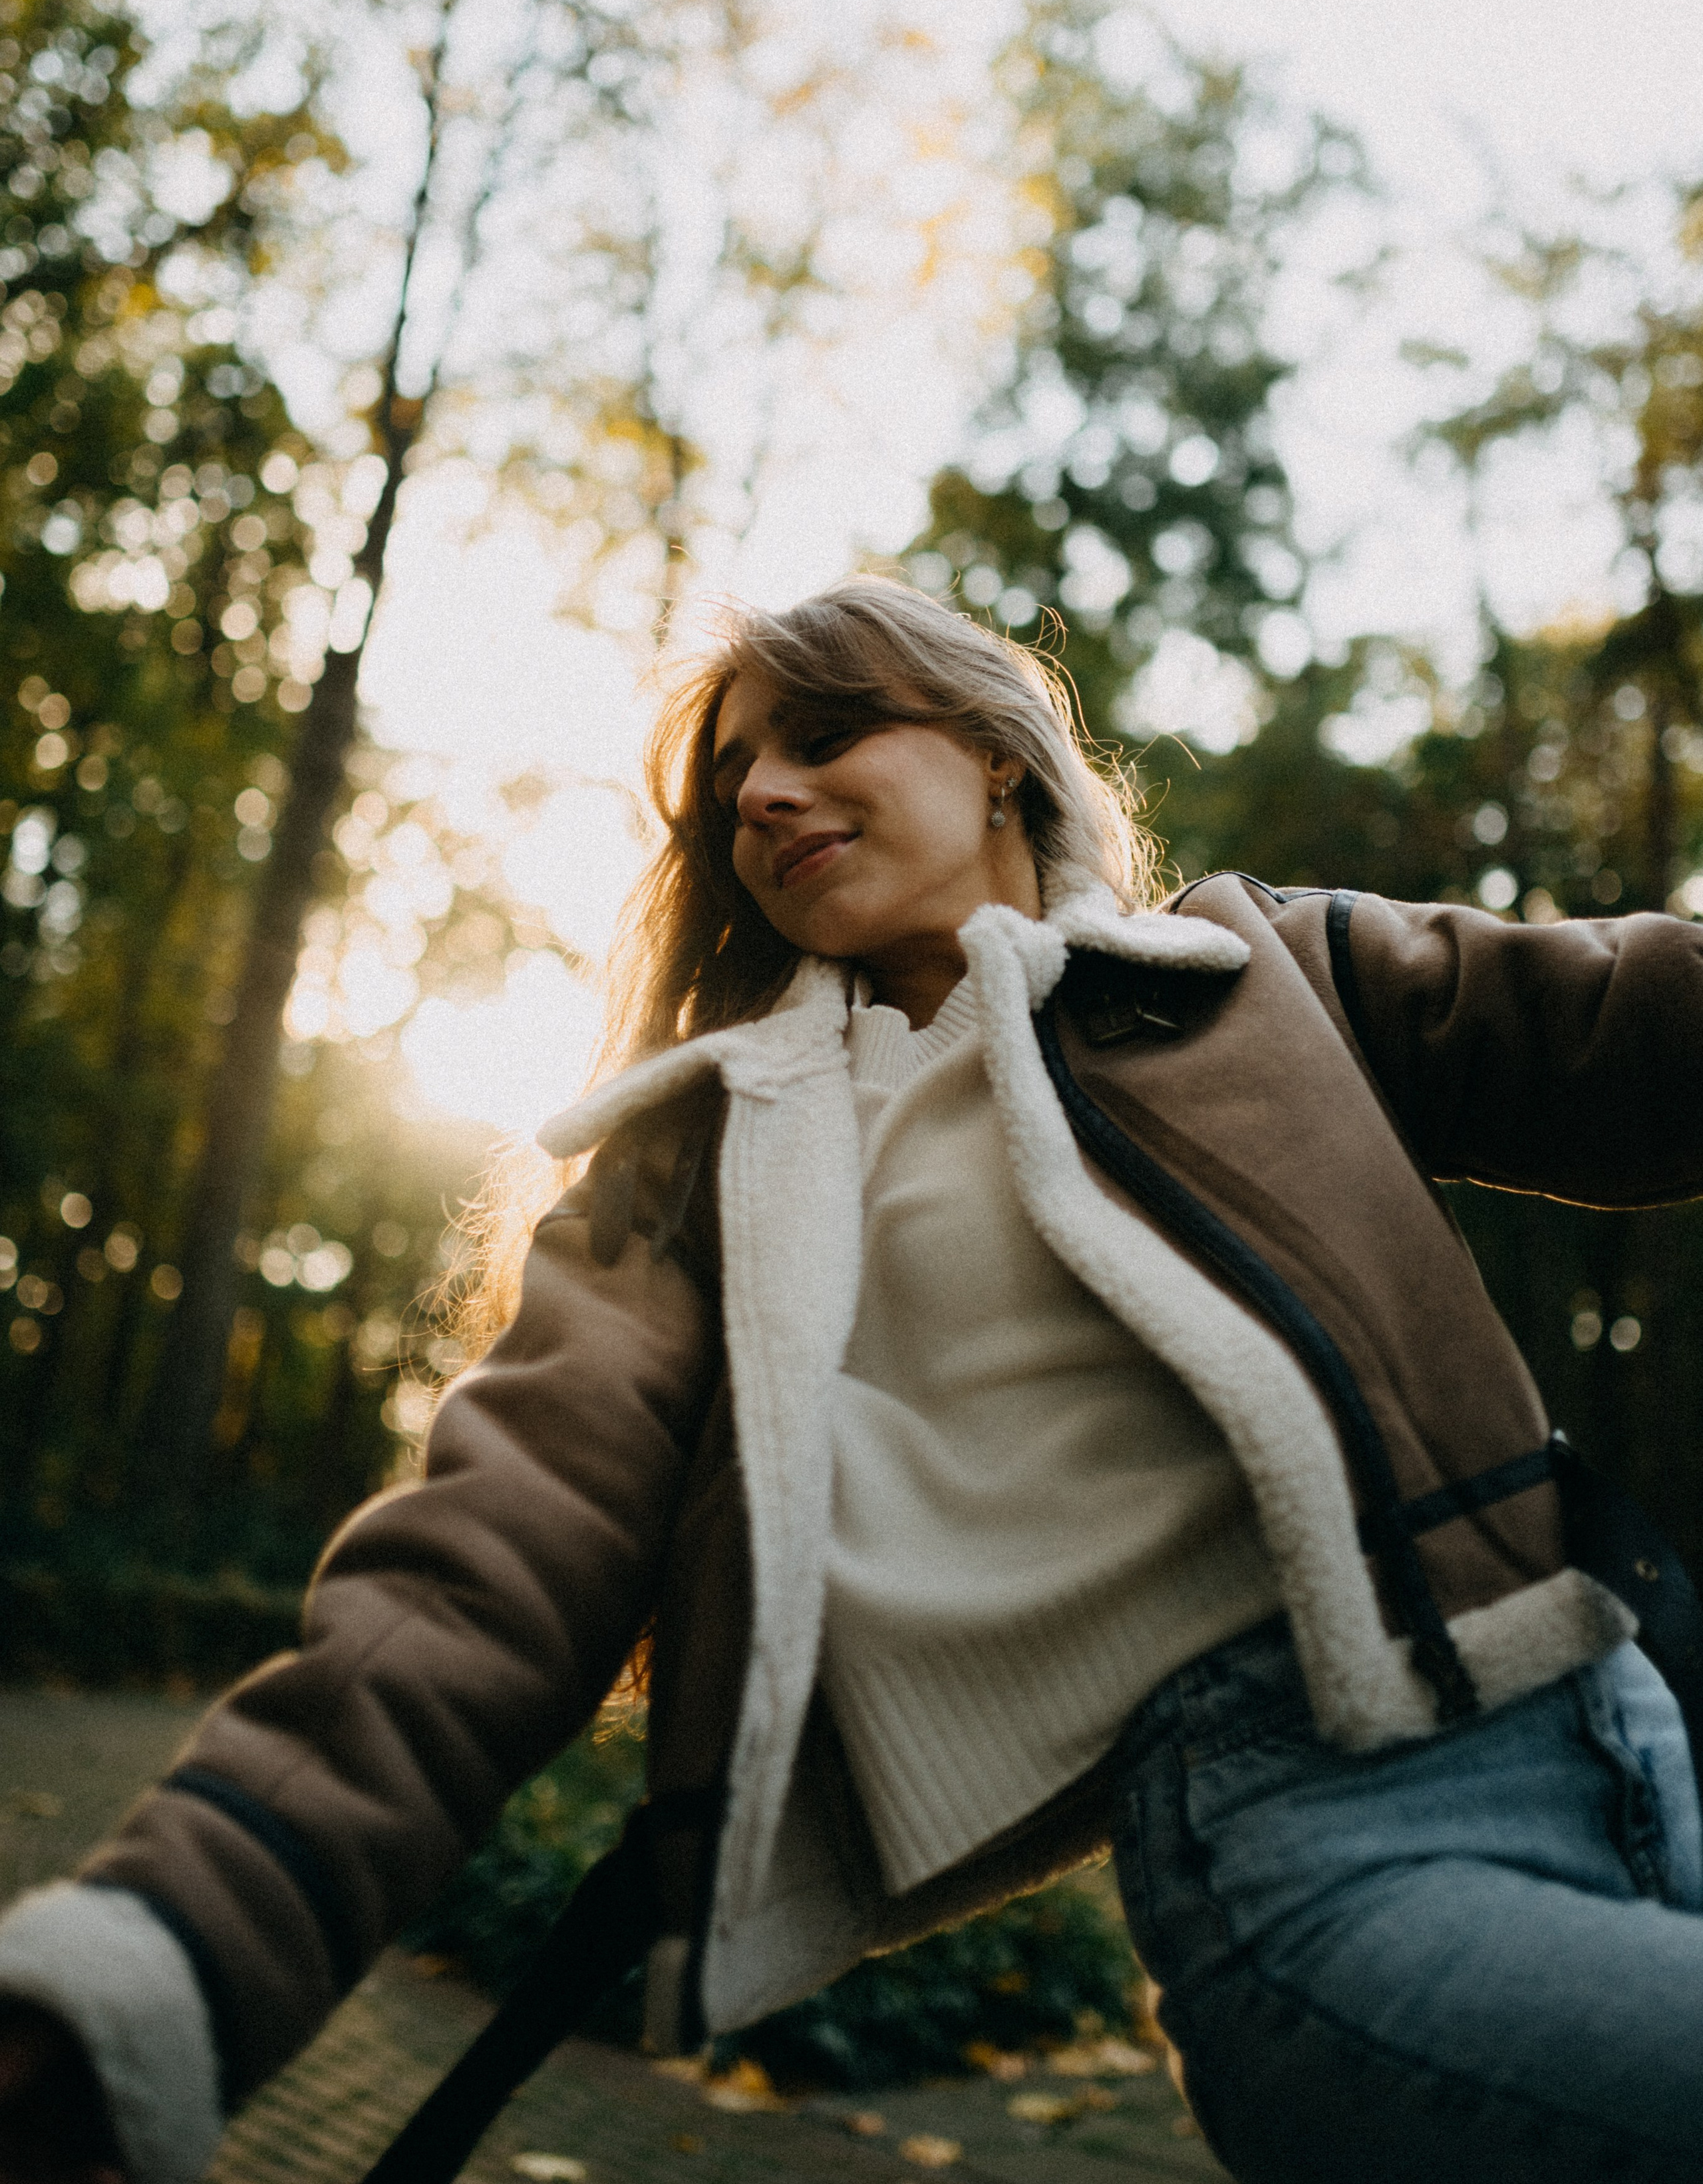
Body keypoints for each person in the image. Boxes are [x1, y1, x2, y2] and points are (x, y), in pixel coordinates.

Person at [2, 573, 1702, 2184]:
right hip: (1311, 1858)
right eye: (728, 780)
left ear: (988, 749)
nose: (760, 794)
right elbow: (470, 1582)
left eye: (820, 734)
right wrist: (150, 1964)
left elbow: (1635, 1025)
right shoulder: (695, 1172)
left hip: (1620, 1721)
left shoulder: (1254, 973)